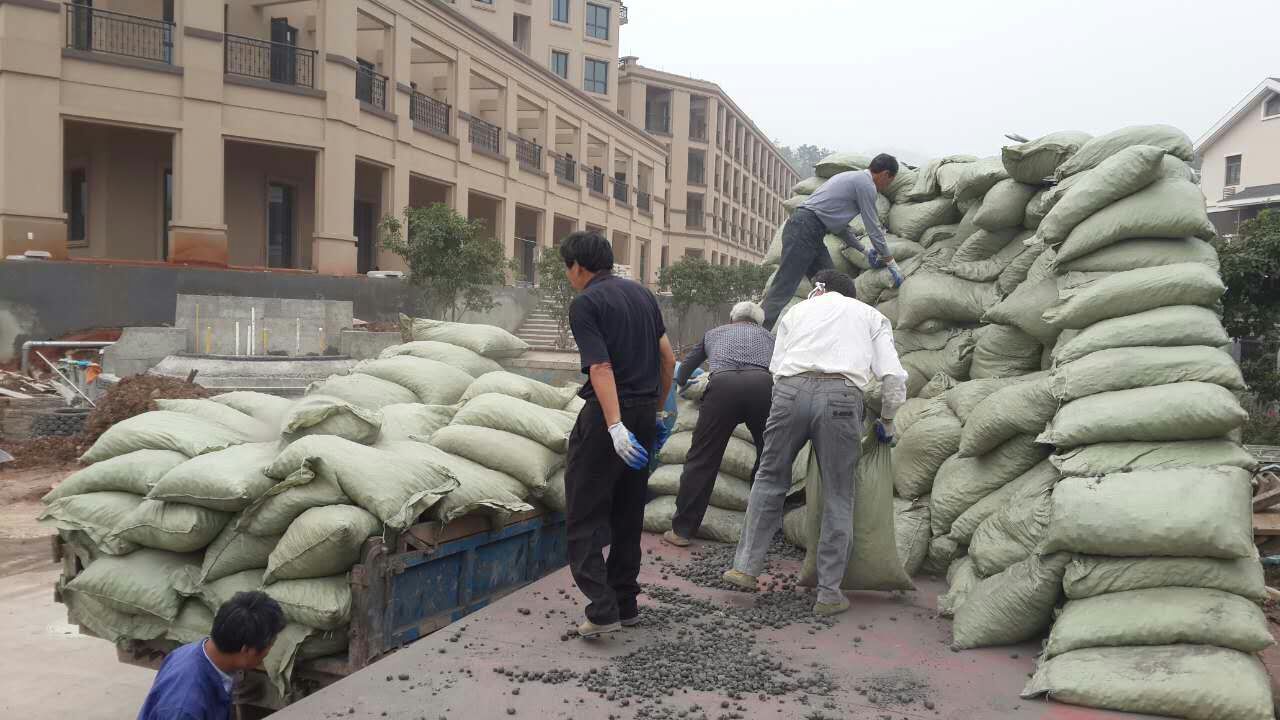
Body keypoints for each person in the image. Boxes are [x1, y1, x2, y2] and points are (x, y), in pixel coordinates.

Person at [723, 269, 907, 617]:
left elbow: (776, 368)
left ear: (819, 290)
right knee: (839, 492)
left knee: (769, 480)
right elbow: (893, 375)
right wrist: (886, 419)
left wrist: (791, 404)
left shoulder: (797, 311)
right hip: (841, 396)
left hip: (789, 391)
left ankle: (745, 568)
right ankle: (828, 594)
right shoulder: (870, 315)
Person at [560, 230, 676, 638]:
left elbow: (601, 368)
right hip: (645, 414)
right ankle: (626, 603)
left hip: (609, 419)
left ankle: (602, 608)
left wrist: (614, 427)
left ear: (577, 266)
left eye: (567, 269)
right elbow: (668, 358)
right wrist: (658, 412)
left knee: (585, 512)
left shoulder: (586, 303)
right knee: (629, 512)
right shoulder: (644, 296)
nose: (569, 276)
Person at [662, 301, 775, 548]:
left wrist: (683, 385)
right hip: (762, 387)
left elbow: (685, 369)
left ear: (733, 318)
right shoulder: (769, 337)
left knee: (702, 459)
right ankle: (759, 531)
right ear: (758, 321)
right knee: (768, 457)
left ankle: (682, 531)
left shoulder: (713, 333)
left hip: (722, 387)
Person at [761, 154, 902, 331]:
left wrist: (864, 251)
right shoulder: (866, 184)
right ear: (885, 174)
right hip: (804, 229)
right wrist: (892, 263)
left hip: (812, 232)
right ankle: (751, 335)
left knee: (833, 287)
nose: (885, 187)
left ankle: (824, 334)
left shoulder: (849, 178)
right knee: (784, 287)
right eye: (888, 182)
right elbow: (873, 228)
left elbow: (840, 228)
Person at [137, 591, 286, 720]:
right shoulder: (185, 708)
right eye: (270, 646)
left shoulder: (198, 653)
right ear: (246, 650)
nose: (268, 653)